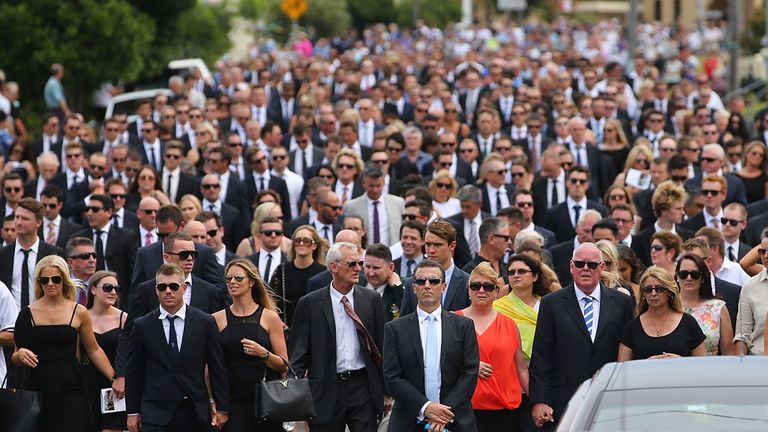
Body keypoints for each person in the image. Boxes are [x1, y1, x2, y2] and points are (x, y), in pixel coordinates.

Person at [529, 243, 634, 429]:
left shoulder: (622, 302)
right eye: (579, 264)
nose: (585, 268)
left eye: (592, 264)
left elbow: (627, 351)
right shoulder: (551, 304)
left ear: (602, 267)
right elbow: (541, 356)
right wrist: (540, 400)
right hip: (563, 400)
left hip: (609, 397)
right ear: (571, 266)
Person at [12, 256, 117, 432]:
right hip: (38, 385)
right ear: (39, 282)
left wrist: (115, 378)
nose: (50, 284)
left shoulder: (78, 311)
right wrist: (21, 354)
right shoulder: (27, 313)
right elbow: (15, 355)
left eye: (56, 279)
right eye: (45, 280)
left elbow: (93, 349)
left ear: (64, 280)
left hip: (71, 384)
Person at [289, 241, 385, 432]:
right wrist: (293, 393)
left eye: (359, 263)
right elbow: (298, 353)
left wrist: (385, 390)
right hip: (325, 388)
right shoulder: (310, 303)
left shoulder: (371, 299)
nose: (358, 269)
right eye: (352, 264)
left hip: (363, 386)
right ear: (333, 267)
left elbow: (381, 346)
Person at [125, 263, 229, 432]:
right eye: (162, 287)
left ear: (184, 288)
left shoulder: (205, 322)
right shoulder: (142, 325)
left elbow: (217, 366)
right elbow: (134, 371)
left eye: (173, 286)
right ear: (156, 290)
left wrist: (222, 406)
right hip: (155, 413)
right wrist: (132, 411)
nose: (168, 291)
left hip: (194, 411)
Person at [383, 259, 479, 432]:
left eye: (434, 281)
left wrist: (443, 413)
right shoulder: (395, 329)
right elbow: (392, 377)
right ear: (413, 288)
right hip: (408, 421)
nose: (427, 286)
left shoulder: (463, 326)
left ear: (443, 287)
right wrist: (425, 407)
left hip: (455, 420)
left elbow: (470, 372)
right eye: (421, 281)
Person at [212, 258, 288, 431]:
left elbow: (284, 364)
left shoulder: (270, 317)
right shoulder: (217, 319)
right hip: (232, 401)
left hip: (267, 398)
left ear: (251, 281)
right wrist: (213, 400)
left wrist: (263, 353)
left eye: (238, 278)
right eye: (228, 278)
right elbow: (211, 366)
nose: (232, 282)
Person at [456, 262, 529, 431]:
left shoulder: (510, 324)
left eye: (488, 286)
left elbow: (521, 369)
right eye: (476, 286)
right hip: (465, 411)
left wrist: (538, 401)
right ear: (468, 290)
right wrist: (471, 365)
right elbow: (439, 362)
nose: (481, 291)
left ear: (496, 292)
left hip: (506, 413)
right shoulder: (453, 321)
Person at [618, 266, 706, 360]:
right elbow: (622, 366)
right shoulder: (632, 328)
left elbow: (702, 364)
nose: (653, 293)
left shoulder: (688, 323)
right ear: (643, 293)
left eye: (659, 289)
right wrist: (645, 364)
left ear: (669, 291)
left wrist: (681, 361)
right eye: (648, 289)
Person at [83, 270, 127, 432]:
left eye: (116, 288)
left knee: (112, 428)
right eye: (108, 287)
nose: (113, 292)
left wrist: (121, 378)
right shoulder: (81, 316)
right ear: (93, 290)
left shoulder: (124, 318)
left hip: (115, 385)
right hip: (87, 382)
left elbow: (131, 355)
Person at [400, 220, 470, 315]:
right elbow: (405, 320)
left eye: (438, 245)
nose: (431, 250)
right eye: (428, 244)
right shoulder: (412, 282)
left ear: (452, 246)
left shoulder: (467, 283)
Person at [494, 254, 553, 361]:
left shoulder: (548, 305)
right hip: (510, 363)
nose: (516, 275)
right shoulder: (497, 308)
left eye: (521, 271)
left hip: (545, 362)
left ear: (535, 276)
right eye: (512, 272)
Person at [268, 224, 328, 325]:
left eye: (306, 241)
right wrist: (277, 321)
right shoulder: (281, 270)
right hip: (286, 328)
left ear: (314, 245)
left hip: (315, 327)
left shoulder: (323, 272)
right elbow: (270, 299)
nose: (301, 243)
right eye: (297, 240)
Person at [677, 254, 734, 356]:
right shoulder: (667, 306)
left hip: (710, 365)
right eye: (683, 274)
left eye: (695, 274)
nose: (689, 278)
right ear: (677, 277)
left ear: (703, 278)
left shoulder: (718, 307)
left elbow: (729, 353)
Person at [734, 231, 768, 355]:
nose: (766, 256)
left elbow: (746, 263)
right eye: (762, 251)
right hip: (758, 360)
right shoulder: (750, 286)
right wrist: (740, 364)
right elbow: (742, 335)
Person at [363, 243, 406, 322]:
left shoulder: (404, 286)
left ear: (391, 267)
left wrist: (397, 287)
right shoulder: (356, 283)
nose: (371, 273)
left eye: (376, 268)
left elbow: (409, 312)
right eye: (367, 267)